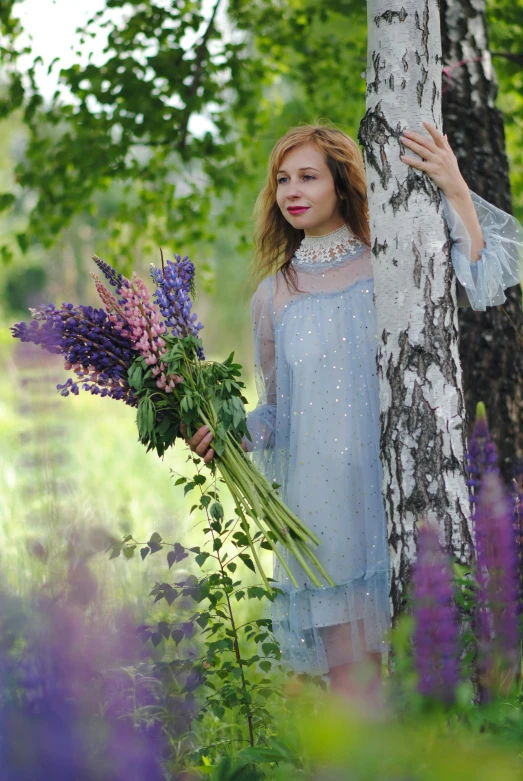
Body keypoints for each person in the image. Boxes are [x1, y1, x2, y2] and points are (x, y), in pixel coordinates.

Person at [184, 121, 523, 699]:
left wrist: (454, 185)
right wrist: (230, 434)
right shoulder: (274, 294)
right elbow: (277, 412)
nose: (291, 190)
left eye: (308, 177)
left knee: (430, 682)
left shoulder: (388, 264)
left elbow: (483, 276)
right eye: (282, 180)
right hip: (322, 514)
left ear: (341, 184)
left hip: (402, 489)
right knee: (354, 692)